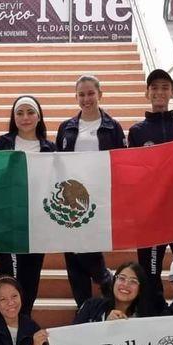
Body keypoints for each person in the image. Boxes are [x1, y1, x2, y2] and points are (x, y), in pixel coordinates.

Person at [127, 69, 173, 313]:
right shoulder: (137, 132)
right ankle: (154, 319)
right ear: (147, 92)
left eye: (164, 88)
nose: (159, 92)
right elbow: (134, 174)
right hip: (152, 215)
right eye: (154, 88)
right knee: (149, 275)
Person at [55, 75, 122, 308]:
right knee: (71, 251)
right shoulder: (66, 127)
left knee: (87, 244)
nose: (86, 99)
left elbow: (121, 163)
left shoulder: (113, 127)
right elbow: (57, 163)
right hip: (71, 198)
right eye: (81, 94)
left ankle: (103, 277)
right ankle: (84, 304)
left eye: (91, 93)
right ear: (76, 97)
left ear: (100, 94)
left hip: (98, 198)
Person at [0, 95, 55, 317]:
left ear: (39, 116)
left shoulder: (50, 148)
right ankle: (3, 324)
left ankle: (24, 321)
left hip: (38, 222)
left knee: (30, 275)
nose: (25, 117)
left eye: (30, 112)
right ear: (13, 117)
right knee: (8, 273)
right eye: (20, 113)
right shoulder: (2, 144)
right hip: (7, 222)